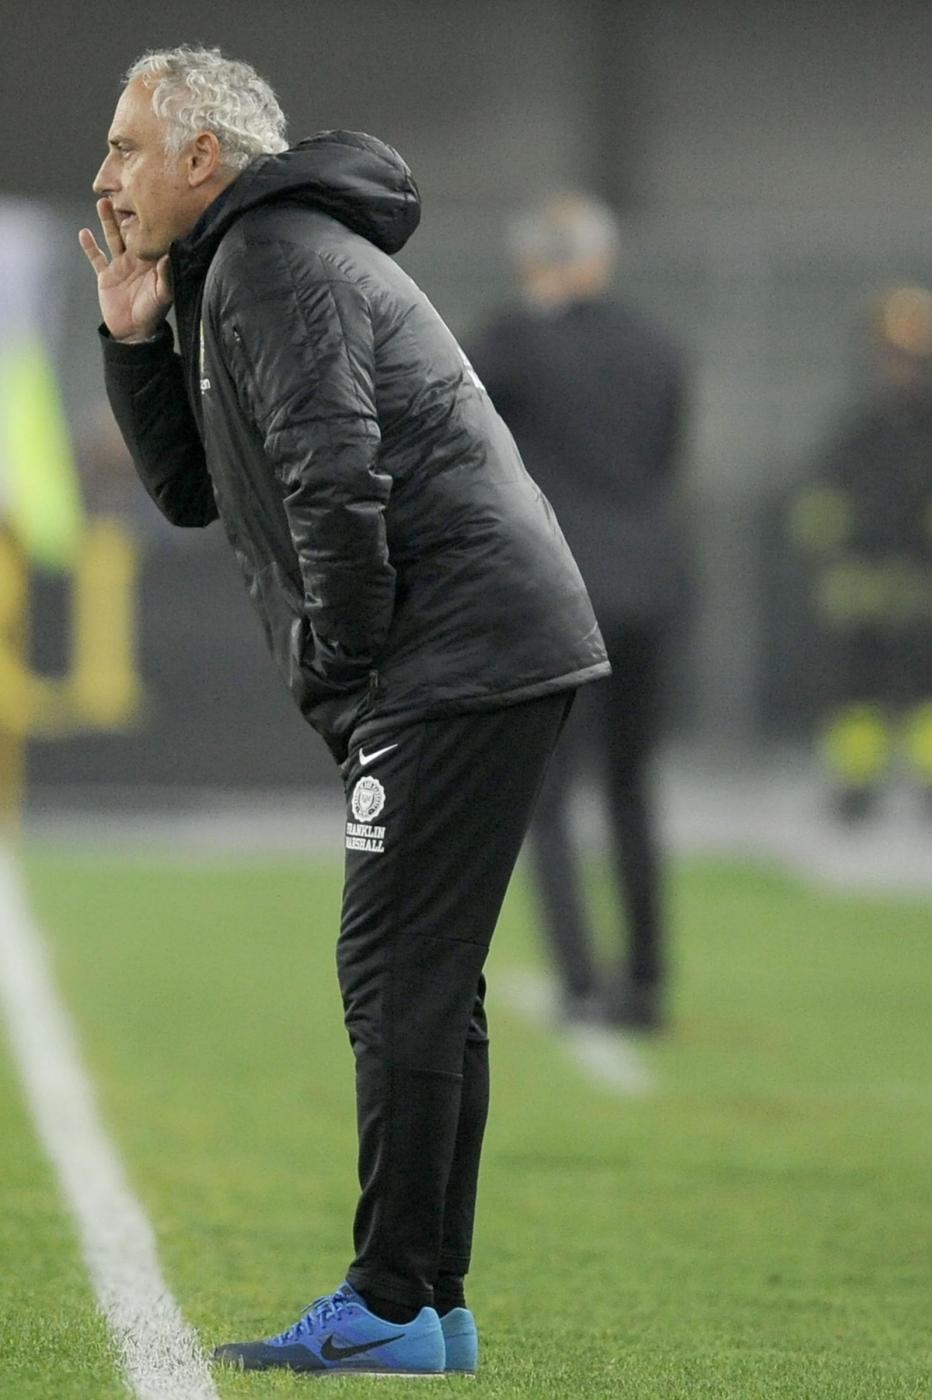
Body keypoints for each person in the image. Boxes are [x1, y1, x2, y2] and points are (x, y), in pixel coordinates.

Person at [80, 47, 608, 1378]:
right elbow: (196, 492)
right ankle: (429, 1304)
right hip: (483, 643)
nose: (106, 175)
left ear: (204, 157)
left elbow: (333, 472)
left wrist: (353, 659)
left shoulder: (270, 260)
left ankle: (389, 1298)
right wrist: (135, 337)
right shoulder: (241, 266)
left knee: (394, 976)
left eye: (128, 146)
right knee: (425, 982)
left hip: (455, 650)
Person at [470, 195, 687, 1031]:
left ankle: (581, 982)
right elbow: (662, 460)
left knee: (550, 794)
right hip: (650, 590)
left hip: (558, 591)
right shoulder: (657, 345)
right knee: (632, 789)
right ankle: (648, 980)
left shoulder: (511, 343)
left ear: (532, 259)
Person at [791, 286, 932, 820]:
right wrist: (838, 554)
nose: (899, 371)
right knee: (855, 695)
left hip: (921, 588)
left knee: (925, 692)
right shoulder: (854, 434)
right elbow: (818, 508)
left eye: (910, 360)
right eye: (890, 358)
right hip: (858, 592)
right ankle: (856, 788)